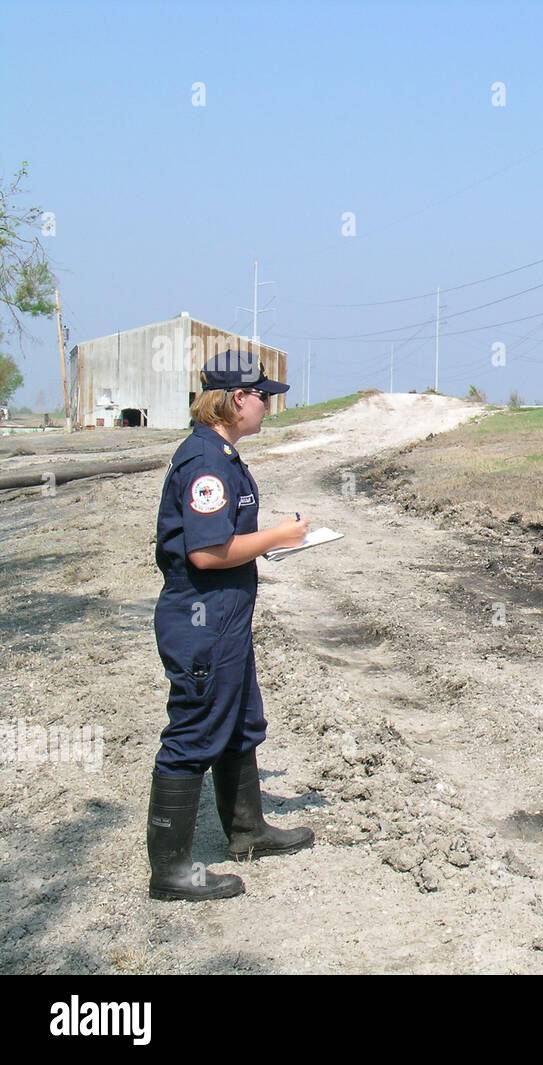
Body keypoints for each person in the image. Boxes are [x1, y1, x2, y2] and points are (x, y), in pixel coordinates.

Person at [147, 350, 314, 901]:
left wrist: (267, 538)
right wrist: (279, 538)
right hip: (202, 619)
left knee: (240, 723)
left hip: (225, 619)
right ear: (236, 399)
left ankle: (247, 831)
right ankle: (171, 872)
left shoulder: (222, 454)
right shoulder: (206, 463)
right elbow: (208, 554)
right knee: (193, 733)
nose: (268, 405)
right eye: (262, 395)